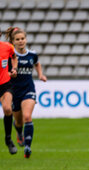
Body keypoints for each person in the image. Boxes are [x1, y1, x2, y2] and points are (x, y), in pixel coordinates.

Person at [6, 27, 47, 158]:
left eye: (22, 38)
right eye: (17, 39)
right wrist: (10, 74)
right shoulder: (10, 57)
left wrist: (40, 75)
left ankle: (27, 147)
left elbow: (37, 63)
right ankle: (19, 133)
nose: (20, 41)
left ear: (26, 39)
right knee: (18, 122)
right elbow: (4, 72)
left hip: (28, 89)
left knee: (27, 117)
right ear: (13, 41)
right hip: (13, 91)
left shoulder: (32, 54)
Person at [0, 28, 18, 154]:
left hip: (5, 83)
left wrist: (14, 69)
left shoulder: (7, 47)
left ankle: (8, 139)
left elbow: (14, 57)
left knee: (7, 109)